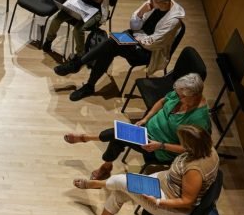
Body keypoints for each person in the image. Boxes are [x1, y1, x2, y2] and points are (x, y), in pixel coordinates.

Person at [69, 124, 219, 215]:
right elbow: (183, 150)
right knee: (120, 191)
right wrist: (162, 146)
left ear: (191, 145)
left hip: (169, 204)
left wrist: (159, 201)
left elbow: (187, 202)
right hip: (163, 182)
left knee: (122, 181)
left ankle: (96, 184)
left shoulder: (194, 170)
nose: (180, 144)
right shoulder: (207, 148)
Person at [63, 73, 209, 182]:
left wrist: (161, 146)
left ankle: (88, 141)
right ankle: (103, 162)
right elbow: (162, 101)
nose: (177, 97)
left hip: (158, 148)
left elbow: (190, 150)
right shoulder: (180, 95)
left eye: (181, 96)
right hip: (145, 131)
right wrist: (146, 118)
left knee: (117, 135)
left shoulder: (198, 120)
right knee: (119, 136)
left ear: (194, 96)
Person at [55, 0, 185, 101]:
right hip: (136, 37)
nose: (150, 0)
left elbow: (153, 43)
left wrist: (137, 38)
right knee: (110, 46)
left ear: (165, 2)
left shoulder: (173, 21)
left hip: (148, 52)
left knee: (111, 44)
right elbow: (134, 26)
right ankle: (86, 79)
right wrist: (141, 12)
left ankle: (79, 66)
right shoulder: (153, 2)